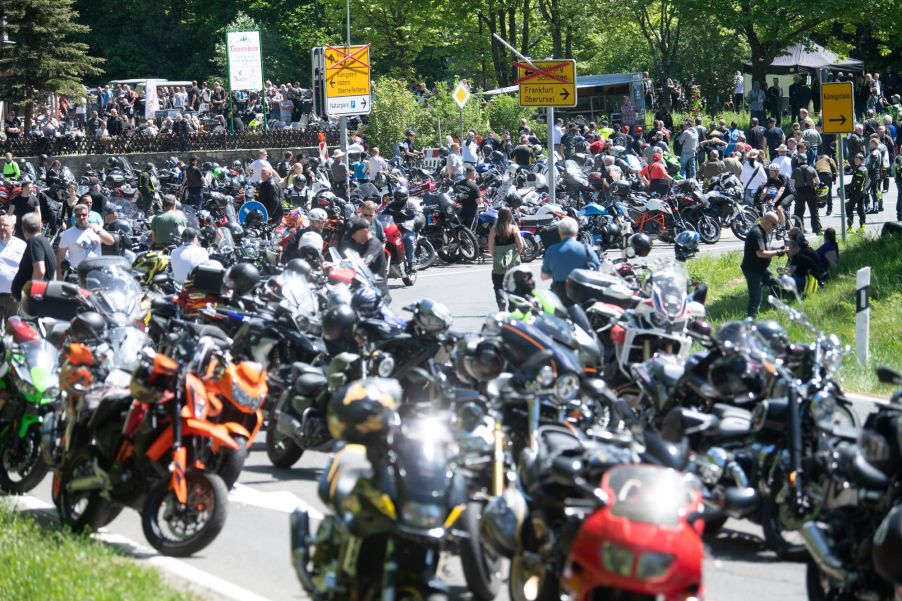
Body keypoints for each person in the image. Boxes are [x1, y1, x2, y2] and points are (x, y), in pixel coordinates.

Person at [541, 217, 600, 306]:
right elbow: (598, 270)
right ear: (576, 231)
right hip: (582, 297)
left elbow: (544, 276)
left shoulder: (551, 250)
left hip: (560, 297)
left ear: (559, 232)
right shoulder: (586, 248)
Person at [741, 212, 784, 318]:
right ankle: (751, 319)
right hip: (752, 270)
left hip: (761, 269)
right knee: (756, 297)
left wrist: (780, 249)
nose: (774, 228)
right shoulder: (757, 233)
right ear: (767, 222)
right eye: (774, 225)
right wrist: (777, 253)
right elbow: (760, 253)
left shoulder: (763, 231)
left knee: (776, 284)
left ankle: (772, 304)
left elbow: (766, 249)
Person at [56, 204, 114, 278]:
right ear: (75, 217)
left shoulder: (96, 228)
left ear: (88, 216)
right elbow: (60, 256)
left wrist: (98, 231)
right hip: (77, 274)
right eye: (78, 215)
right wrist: (59, 277)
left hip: (96, 272)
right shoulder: (68, 233)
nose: (81, 217)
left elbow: (110, 241)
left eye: (84, 215)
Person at [10, 213, 55, 301]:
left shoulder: (35, 242)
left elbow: (40, 271)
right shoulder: (43, 242)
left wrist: (31, 297)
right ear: (40, 226)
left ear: (23, 228)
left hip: (31, 304)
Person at [488, 207, 524, 311]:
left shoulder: (494, 229)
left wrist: (495, 255)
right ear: (510, 216)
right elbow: (520, 246)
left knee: (498, 284)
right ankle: (512, 305)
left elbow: (490, 247)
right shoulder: (513, 228)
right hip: (513, 262)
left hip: (499, 260)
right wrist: (517, 254)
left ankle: (501, 301)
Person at [345, 218, 388, 295]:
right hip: (364, 288)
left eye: (354, 233)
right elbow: (352, 259)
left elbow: (364, 263)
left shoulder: (374, 244)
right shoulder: (359, 244)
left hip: (377, 292)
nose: (352, 236)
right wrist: (336, 264)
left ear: (364, 231)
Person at [0, 215, 26, 318]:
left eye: (5, 225)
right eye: (0, 225)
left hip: (12, 296)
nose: (2, 228)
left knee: (11, 326)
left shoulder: (21, 245)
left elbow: (27, 270)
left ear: (13, 228)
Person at [792, 154, 821, 235]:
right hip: (811, 191)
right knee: (814, 211)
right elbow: (818, 182)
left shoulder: (795, 170)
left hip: (800, 191)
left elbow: (792, 184)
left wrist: (795, 191)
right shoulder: (812, 169)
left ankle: (799, 229)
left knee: (799, 212)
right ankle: (817, 229)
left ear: (799, 160)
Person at [846, 153, 868, 233]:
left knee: (849, 207)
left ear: (861, 160)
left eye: (857, 159)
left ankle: (851, 227)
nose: (855, 160)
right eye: (855, 159)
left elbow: (856, 183)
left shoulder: (860, 169)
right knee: (860, 209)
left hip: (857, 192)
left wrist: (846, 187)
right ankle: (862, 227)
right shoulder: (863, 168)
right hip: (862, 191)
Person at [814, 152, 838, 216]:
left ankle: (816, 210)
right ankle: (829, 210)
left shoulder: (817, 162)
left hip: (819, 175)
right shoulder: (829, 159)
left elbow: (814, 171)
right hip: (828, 175)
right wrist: (834, 179)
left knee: (818, 192)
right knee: (828, 192)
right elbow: (834, 167)